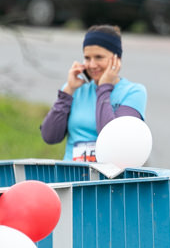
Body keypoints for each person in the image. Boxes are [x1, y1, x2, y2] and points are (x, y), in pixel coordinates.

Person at [40, 25, 146, 162]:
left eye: (98, 57)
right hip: (72, 176)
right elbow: (50, 136)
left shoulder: (134, 92)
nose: (92, 64)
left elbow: (115, 142)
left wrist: (104, 87)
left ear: (117, 59)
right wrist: (68, 92)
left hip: (109, 177)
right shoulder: (74, 89)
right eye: (87, 58)